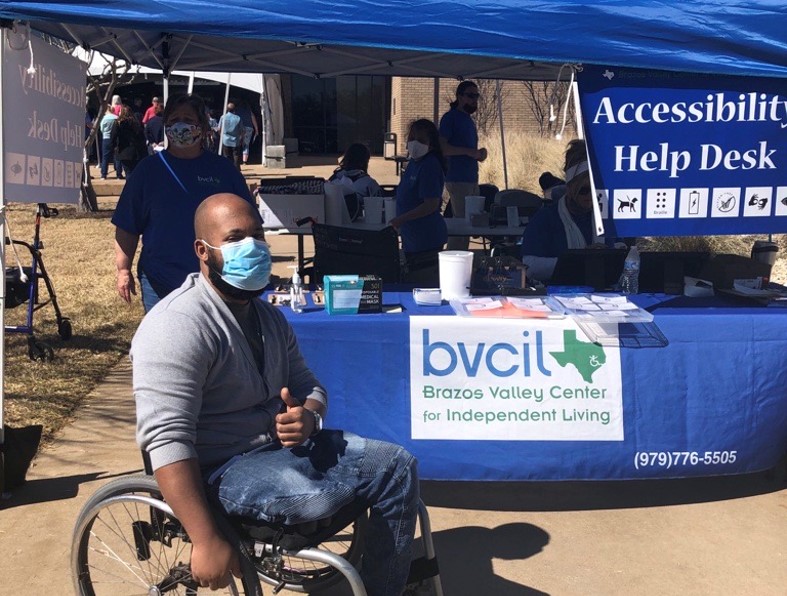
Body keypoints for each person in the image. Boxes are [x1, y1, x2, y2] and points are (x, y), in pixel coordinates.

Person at [132, 193, 419, 594]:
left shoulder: (267, 316)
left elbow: (309, 386)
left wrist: (310, 417)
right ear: (203, 250)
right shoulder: (176, 327)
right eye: (235, 238)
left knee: (398, 465)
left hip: (278, 451)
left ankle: (384, 586)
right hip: (220, 469)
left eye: (257, 235)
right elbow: (166, 440)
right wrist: (206, 538)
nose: (251, 247)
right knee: (331, 493)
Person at [112, 93, 254, 312]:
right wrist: (123, 270)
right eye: (174, 120)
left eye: (188, 120)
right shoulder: (148, 171)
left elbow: (249, 224)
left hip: (217, 280)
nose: (181, 126)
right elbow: (127, 225)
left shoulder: (223, 170)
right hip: (160, 281)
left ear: (203, 126)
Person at [520, 139, 603, 281]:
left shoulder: (606, 218)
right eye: (583, 190)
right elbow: (529, 266)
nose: (590, 196)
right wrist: (580, 260)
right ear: (570, 187)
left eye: (596, 191)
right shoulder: (547, 219)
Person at [390, 119, 447, 284]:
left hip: (426, 238)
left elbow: (430, 205)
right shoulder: (413, 164)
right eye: (412, 138)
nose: (415, 143)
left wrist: (401, 219)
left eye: (421, 140)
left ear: (431, 144)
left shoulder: (430, 165)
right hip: (412, 238)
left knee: (423, 283)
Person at [439, 80, 487, 250]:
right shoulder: (450, 118)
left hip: (471, 178)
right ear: (459, 97)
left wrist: (478, 154)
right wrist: (469, 152)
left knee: (468, 227)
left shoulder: (468, 120)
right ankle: (454, 262)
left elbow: (468, 150)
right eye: (470, 96)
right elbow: (442, 148)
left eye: (476, 96)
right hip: (457, 178)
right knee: (462, 228)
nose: (474, 100)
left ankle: (459, 261)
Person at [111, 105, 148, 175]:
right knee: (135, 172)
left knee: (128, 172)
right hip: (136, 151)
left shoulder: (118, 124)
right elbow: (141, 137)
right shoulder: (136, 123)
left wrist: (114, 147)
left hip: (124, 151)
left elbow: (113, 137)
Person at [98, 104, 123, 180]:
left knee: (105, 157)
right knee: (117, 157)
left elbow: (101, 129)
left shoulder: (104, 118)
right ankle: (119, 174)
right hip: (116, 139)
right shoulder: (117, 118)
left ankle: (103, 174)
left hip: (106, 138)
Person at [219, 102, 244, 169]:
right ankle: (236, 170)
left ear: (227, 109)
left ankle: (227, 169)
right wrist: (241, 138)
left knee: (226, 156)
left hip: (225, 140)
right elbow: (242, 130)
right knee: (236, 156)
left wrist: (221, 136)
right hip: (235, 140)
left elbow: (219, 129)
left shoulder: (223, 117)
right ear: (234, 110)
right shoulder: (238, 118)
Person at [235, 99, 259, 166]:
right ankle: (244, 161)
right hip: (249, 128)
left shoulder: (237, 111)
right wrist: (256, 129)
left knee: (238, 144)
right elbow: (253, 119)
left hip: (240, 128)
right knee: (246, 145)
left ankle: (237, 159)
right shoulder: (249, 111)